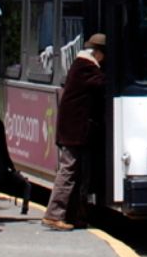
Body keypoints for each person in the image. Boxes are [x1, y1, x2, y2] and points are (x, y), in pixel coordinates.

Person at [44, 32, 106, 231]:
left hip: (77, 131)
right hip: (74, 131)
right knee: (69, 171)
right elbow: (104, 85)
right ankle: (54, 215)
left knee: (77, 172)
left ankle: (70, 215)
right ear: (97, 52)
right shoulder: (86, 68)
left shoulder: (82, 65)